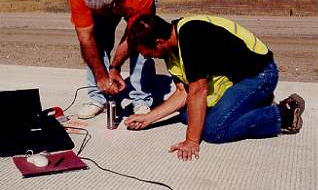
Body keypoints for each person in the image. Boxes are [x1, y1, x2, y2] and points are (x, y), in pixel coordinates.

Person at [125, 14, 305, 161]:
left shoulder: (190, 36)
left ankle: (283, 115)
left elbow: (198, 91)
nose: (147, 57)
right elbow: (183, 93)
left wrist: (192, 141)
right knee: (187, 115)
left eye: (146, 53)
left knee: (213, 130)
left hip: (260, 75)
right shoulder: (170, 49)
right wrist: (148, 118)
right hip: (236, 80)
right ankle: (254, 104)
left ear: (158, 42)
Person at [69, 0, 159, 119]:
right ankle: (98, 97)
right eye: (95, 9)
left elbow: (133, 36)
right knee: (97, 40)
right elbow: (86, 40)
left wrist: (115, 67)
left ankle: (141, 99)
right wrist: (101, 76)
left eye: (104, 9)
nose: (101, 13)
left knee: (141, 43)